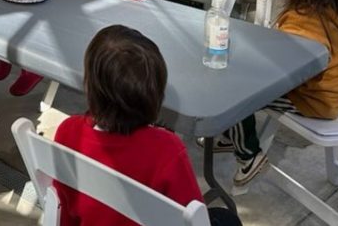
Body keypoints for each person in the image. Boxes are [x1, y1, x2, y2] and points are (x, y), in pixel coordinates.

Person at [54, 25, 241, 226]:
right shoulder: (166, 149)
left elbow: (63, 204)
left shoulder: (68, 131)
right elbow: (192, 216)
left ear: (89, 86)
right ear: (156, 94)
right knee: (225, 218)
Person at [222, 0, 338, 191]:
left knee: (234, 92)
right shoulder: (330, 12)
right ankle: (230, 134)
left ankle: (249, 156)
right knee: (237, 83)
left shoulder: (306, 25)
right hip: (328, 92)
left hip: (313, 99)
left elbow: (282, 69)